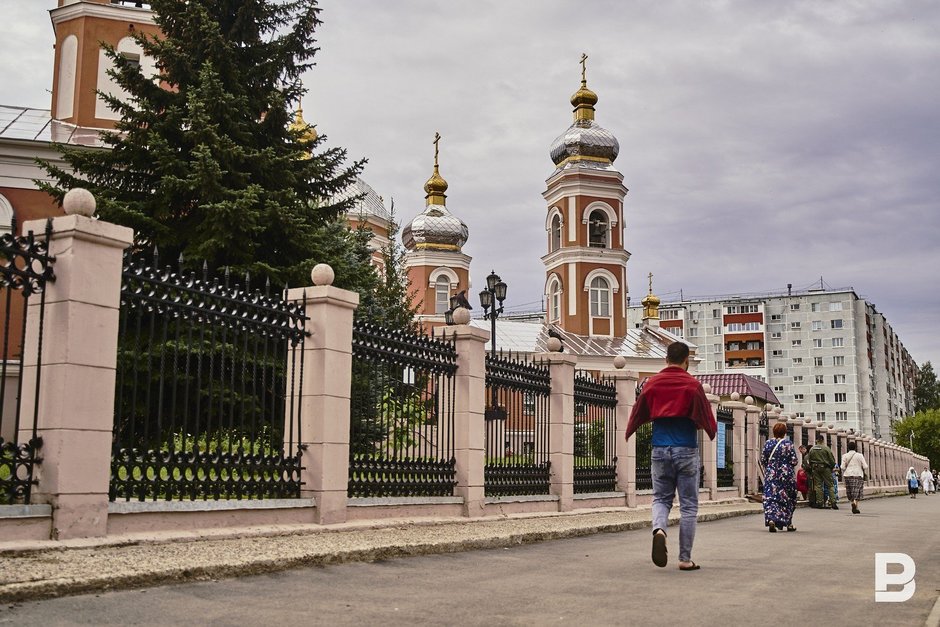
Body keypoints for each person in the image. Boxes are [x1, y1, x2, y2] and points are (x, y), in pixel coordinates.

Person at [625, 341, 717, 571]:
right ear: (686, 361)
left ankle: (659, 530)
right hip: (686, 449)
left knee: (660, 499)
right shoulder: (693, 385)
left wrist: (630, 430)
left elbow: (639, 412)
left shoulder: (652, 383)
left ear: (666, 359)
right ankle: (685, 559)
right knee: (688, 506)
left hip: (659, 449)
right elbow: (706, 418)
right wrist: (706, 428)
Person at [760, 422, 798, 532]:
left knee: (771, 497)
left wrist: (771, 466)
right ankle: (788, 523)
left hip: (771, 475)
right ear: (785, 432)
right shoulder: (788, 444)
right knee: (788, 497)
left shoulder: (768, 443)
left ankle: (772, 518)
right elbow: (794, 461)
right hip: (786, 475)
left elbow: (763, 459)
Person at [807, 434, 837, 509]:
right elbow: (832, 460)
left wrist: (812, 467)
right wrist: (831, 467)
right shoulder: (826, 448)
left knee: (818, 485)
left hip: (815, 468)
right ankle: (833, 502)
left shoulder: (812, 449)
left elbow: (809, 460)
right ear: (823, 440)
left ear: (816, 440)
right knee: (830, 485)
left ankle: (820, 502)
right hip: (825, 468)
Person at [840, 441, 869, 514]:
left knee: (849, 491)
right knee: (857, 491)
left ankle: (852, 502)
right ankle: (856, 505)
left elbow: (842, 467)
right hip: (858, 475)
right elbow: (865, 466)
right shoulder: (860, 455)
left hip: (848, 475)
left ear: (848, 448)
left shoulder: (845, 456)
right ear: (855, 447)